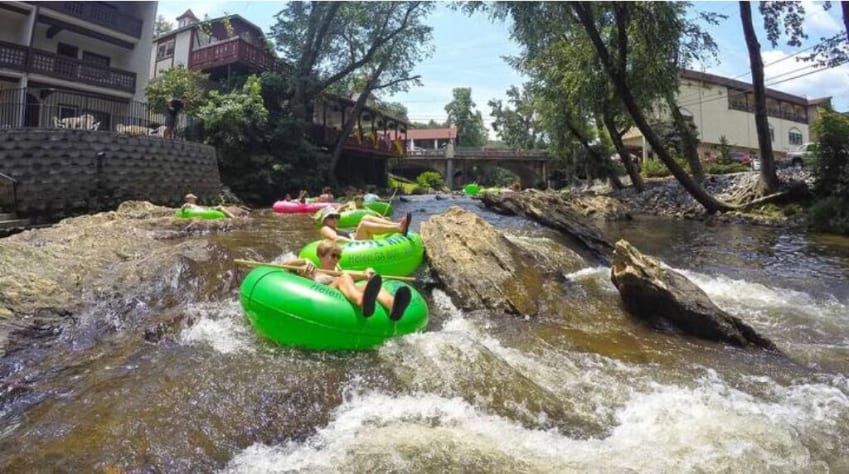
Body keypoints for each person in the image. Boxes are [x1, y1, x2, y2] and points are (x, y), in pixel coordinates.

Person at [281, 240, 411, 319]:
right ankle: (361, 301)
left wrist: (367, 272)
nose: (336, 259)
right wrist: (304, 261)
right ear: (321, 255)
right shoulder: (313, 270)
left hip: (341, 294)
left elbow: (362, 274)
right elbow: (284, 266)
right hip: (324, 295)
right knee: (344, 277)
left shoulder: (340, 272)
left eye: (338, 257)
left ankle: (393, 305)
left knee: (367, 284)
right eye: (333, 256)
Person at [318, 207, 410, 242]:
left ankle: (397, 224)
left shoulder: (333, 228)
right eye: (331, 217)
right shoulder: (325, 228)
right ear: (324, 220)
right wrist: (354, 242)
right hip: (352, 245)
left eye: (336, 217)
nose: (335, 219)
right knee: (363, 225)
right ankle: (399, 228)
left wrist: (354, 232)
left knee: (366, 217)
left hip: (352, 237)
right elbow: (336, 239)